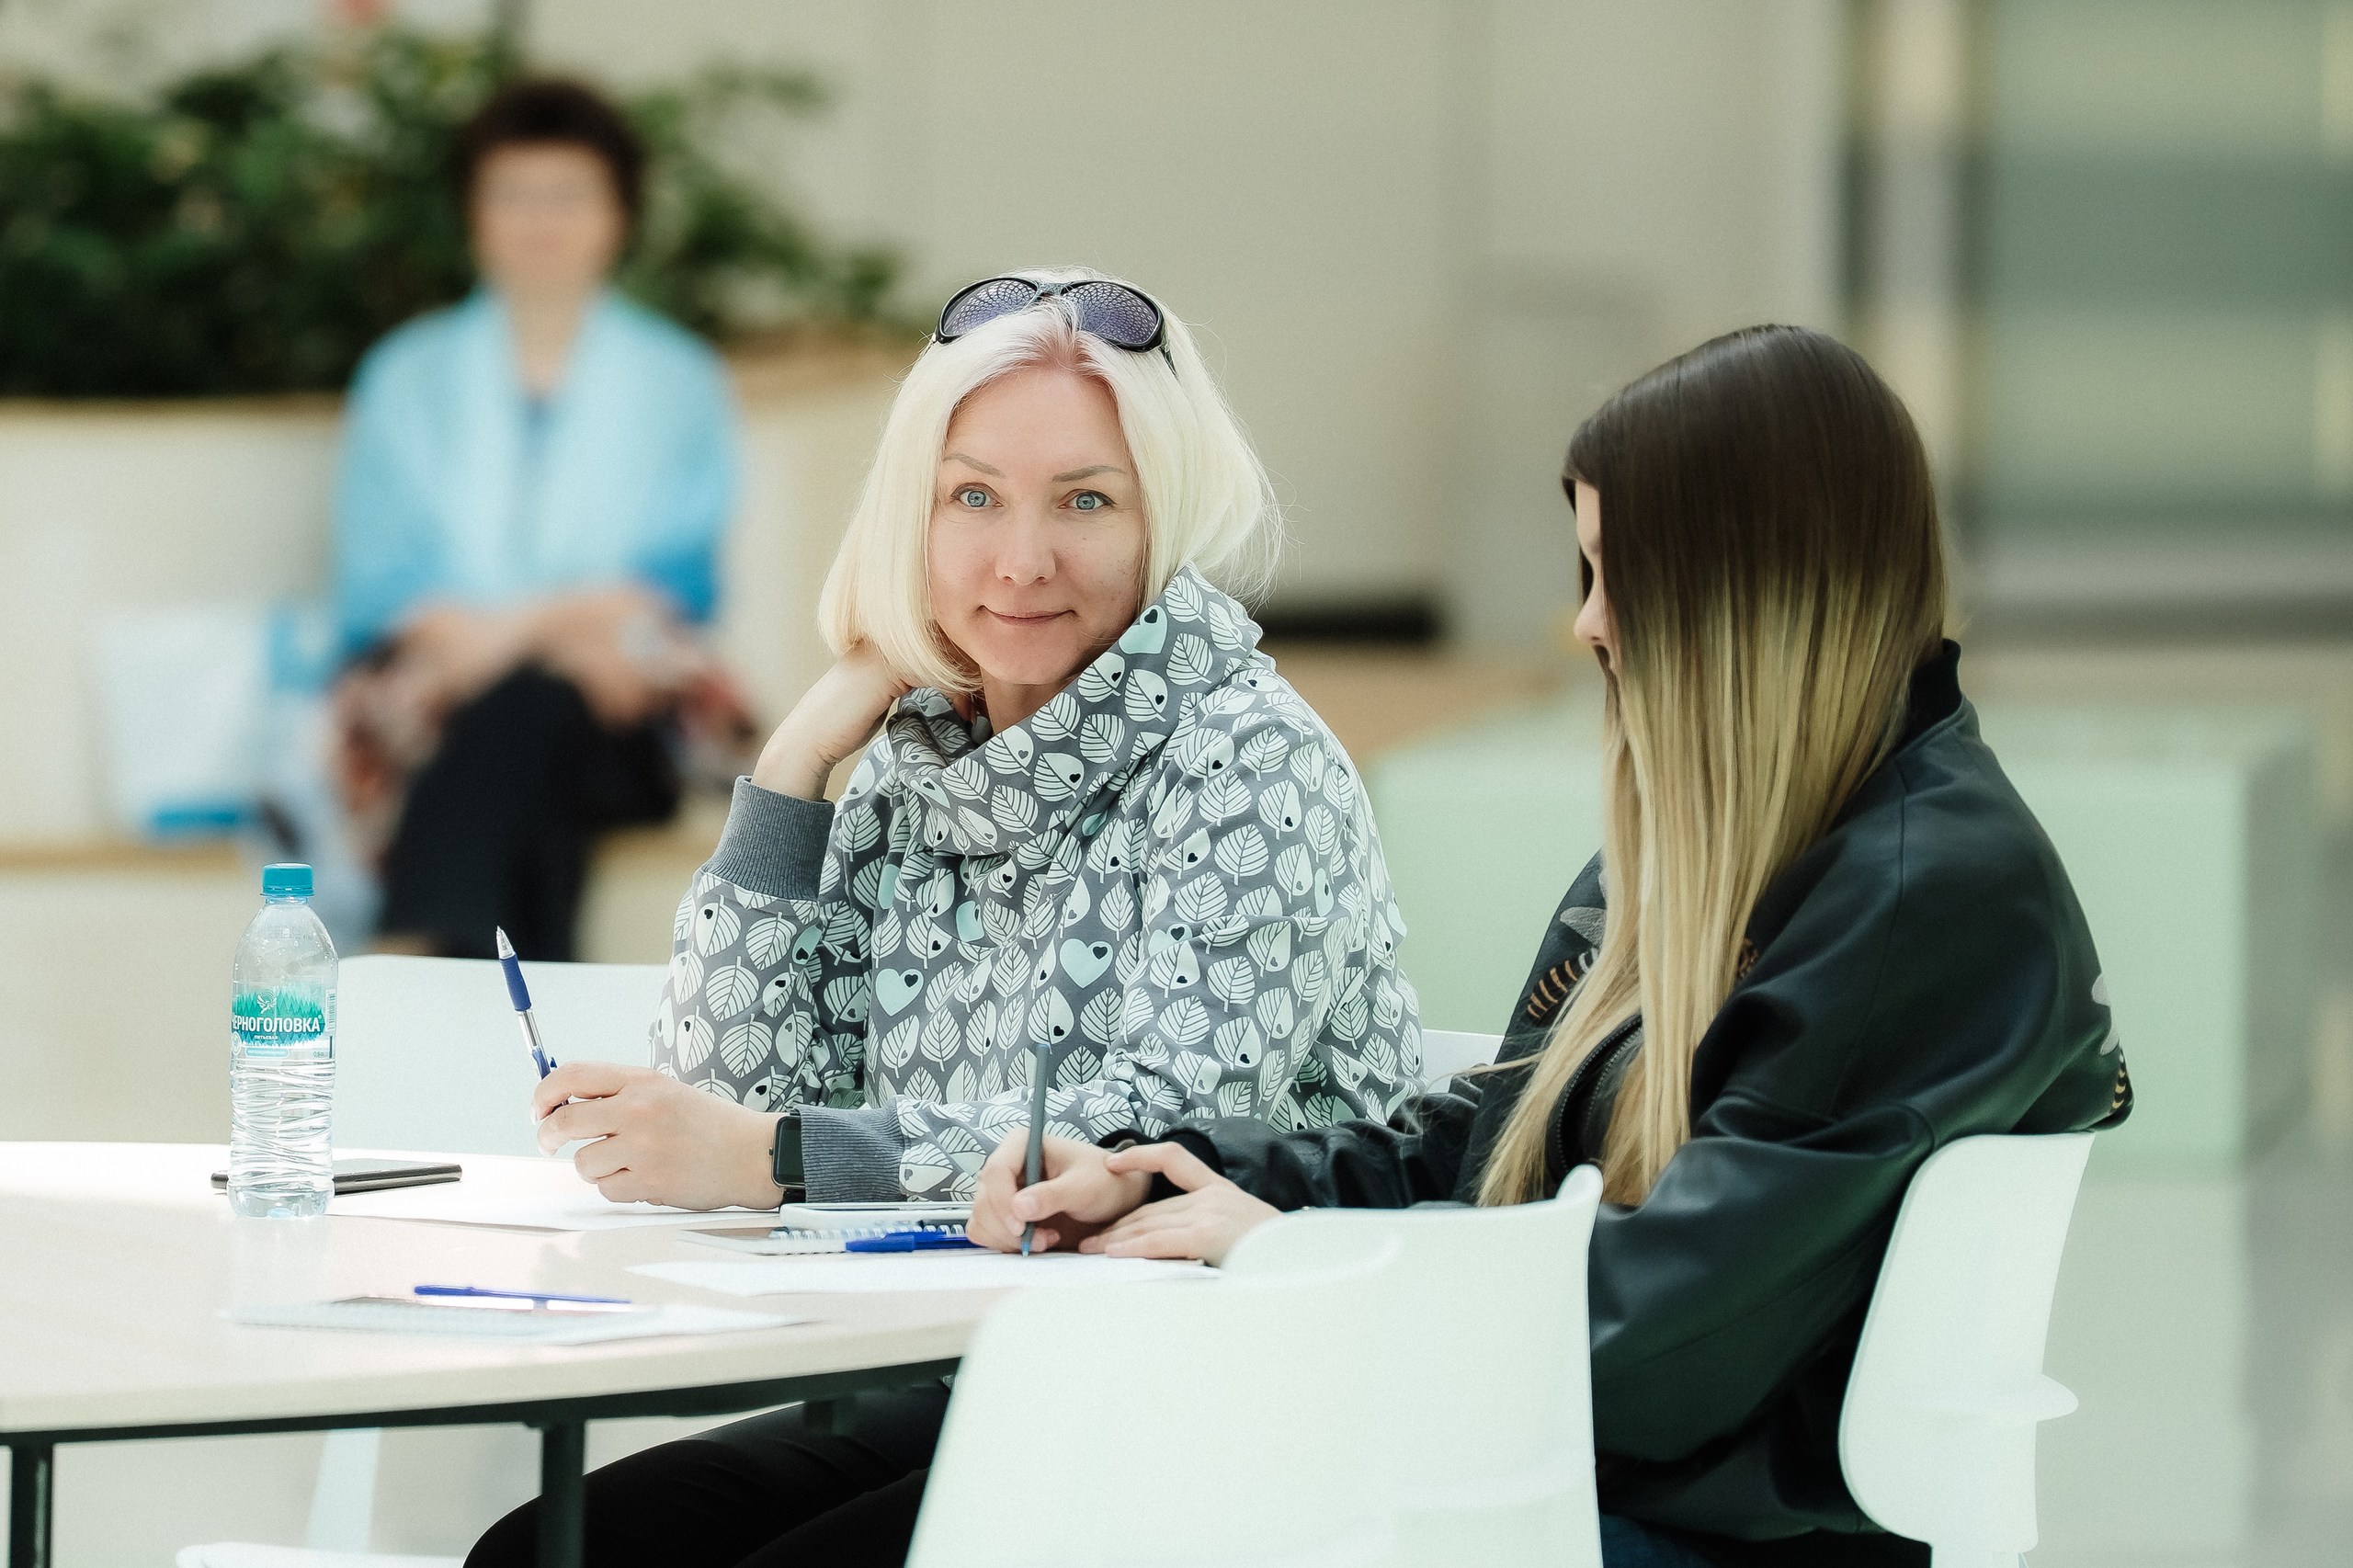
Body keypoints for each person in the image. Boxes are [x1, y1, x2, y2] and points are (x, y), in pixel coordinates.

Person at [972, 325, 2136, 1568]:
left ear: (1746, 588)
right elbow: (1482, 1152)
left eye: (1614, 572)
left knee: (1025, 1501)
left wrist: (1287, 1255)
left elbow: (1653, 1347)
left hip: (1663, 1524)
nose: (1586, 623)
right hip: (1546, 1479)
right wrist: (1168, 1169)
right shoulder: (1735, 846)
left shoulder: (1930, 901)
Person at [466, 270, 1422, 1566]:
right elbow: (735, 1100)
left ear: (1165, 518)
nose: (1020, 560)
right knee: (557, 1550)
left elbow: (1143, 1139)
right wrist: (796, 762)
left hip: (1217, 1392)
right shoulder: (909, 761)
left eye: (1086, 501)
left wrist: (766, 1151)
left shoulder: (1253, 759)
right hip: (963, 1370)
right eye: (971, 497)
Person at [330, 77, 747, 961]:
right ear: (474, 214)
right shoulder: (404, 375)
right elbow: (379, 574)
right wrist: (551, 632)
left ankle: (424, 947)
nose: (539, 223)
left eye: (568, 197)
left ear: (619, 215)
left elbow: (676, 580)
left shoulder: (678, 379)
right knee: (534, 742)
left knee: (537, 711)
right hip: (437, 696)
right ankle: (541, 1060)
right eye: (513, 196)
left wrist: (505, 638)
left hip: (617, 699)